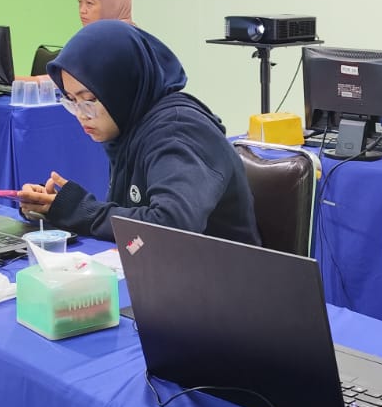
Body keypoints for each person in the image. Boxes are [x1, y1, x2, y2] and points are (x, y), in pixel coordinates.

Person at [14, 21, 259, 245]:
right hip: (168, 268)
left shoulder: (178, 131)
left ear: (122, 87)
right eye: (71, 100)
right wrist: (54, 208)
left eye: (89, 99)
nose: (81, 114)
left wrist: (78, 210)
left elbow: (171, 227)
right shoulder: (130, 127)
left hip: (223, 275)